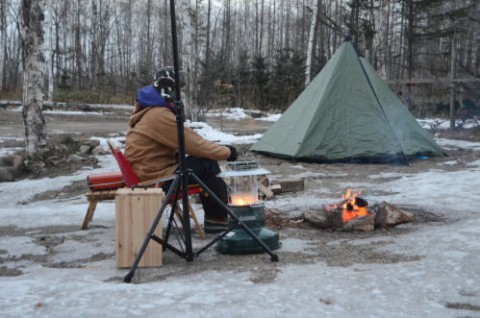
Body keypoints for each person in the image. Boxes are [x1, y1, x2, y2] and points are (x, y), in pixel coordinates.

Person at [124, 67, 238, 233]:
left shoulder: (151, 110)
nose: (181, 95)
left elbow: (186, 143)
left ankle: (218, 216)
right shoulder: (158, 115)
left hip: (149, 172)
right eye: (180, 90)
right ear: (169, 90)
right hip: (154, 178)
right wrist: (227, 152)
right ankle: (217, 220)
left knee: (200, 161)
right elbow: (194, 144)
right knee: (207, 164)